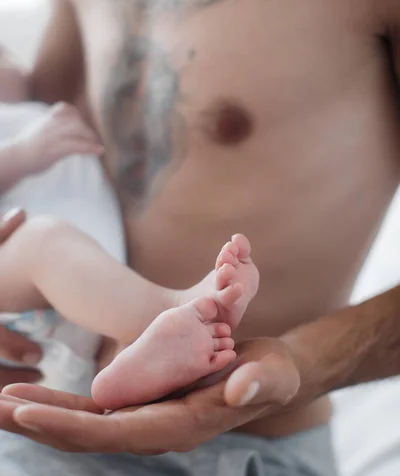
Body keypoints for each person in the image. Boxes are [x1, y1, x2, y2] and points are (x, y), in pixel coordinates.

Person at [0, 0, 399, 476]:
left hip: (224, 470)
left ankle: (173, 316)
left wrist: (298, 365)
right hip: (30, 414)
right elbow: (38, 140)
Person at [0, 46, 258, 404]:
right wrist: (22, 154)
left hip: (75, 285)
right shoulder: (20, 129)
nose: (12, 63)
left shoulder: (39, 114)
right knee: (43, 243)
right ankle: (171, 307)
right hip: (15, 260)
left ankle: (127, 374)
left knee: (111, 321)